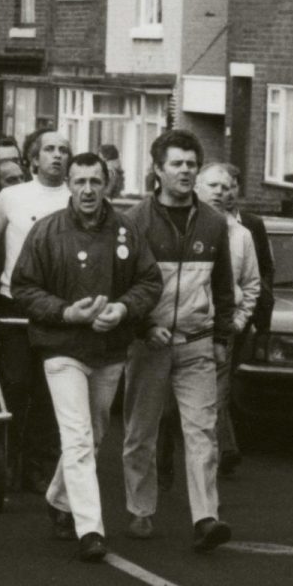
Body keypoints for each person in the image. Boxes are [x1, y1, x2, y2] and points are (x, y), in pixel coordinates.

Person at [11, 152, 161, 562]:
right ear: (69, 185)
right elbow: (23, 287)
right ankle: (90, 529)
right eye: (80, 182)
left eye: (96, 181)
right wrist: (64, 312)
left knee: (93, 435)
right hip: (61, 349)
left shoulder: (127, 230)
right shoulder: (46, 232)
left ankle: (59, 499)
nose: (88, 190)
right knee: (76, 437)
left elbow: (150, 281)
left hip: (109, 350)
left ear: (107, 182)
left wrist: (123, 309)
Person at [120, 131, 237, 552]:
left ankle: (206, 518)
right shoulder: (135, 221)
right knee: (141, 431)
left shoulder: (213, 221)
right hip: (149, 344)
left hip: (197, 342)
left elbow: (223, 284)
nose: (186, 170)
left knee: (202, 432)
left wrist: (221, 336)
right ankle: (140, 509)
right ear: (157, 170)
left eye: (192, 164)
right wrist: (140, 328)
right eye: (177, 164)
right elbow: (124, 287)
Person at [0, 128, 73, 492]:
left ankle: (39, 465)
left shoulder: (76, 197)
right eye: (49, 149)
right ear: (32, 159)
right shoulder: (11, 196)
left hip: (59, 307)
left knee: (51, 390)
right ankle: (6, 456)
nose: (57, 155)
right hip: (15, 304)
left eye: (63, 150)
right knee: (15, 384)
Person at [193, 163, 268, 479]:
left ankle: (209, 477)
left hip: (222, 332)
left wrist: (237, 323)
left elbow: (252, 284)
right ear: (197, 187)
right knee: (173, 410)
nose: (220, 192)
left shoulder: (242, 236)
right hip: (183, 329)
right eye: (212, 185)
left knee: (212, 404)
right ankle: (166, 462)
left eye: (225, 187)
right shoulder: (185, 227)